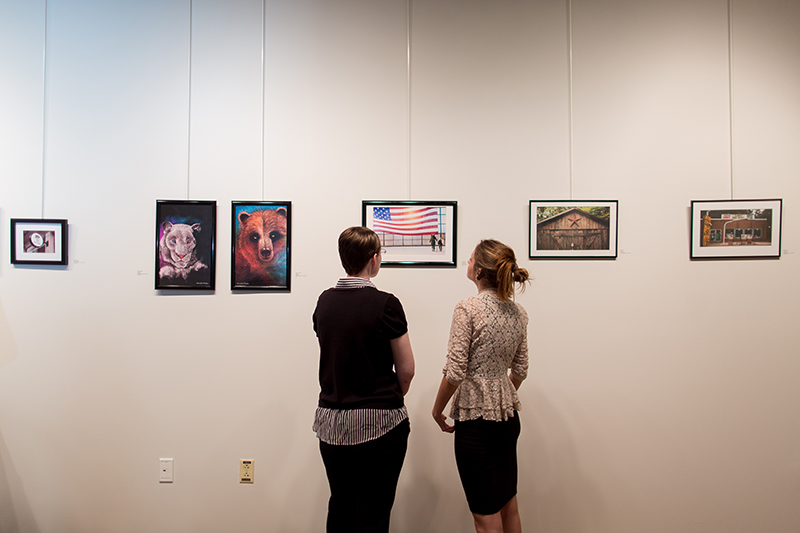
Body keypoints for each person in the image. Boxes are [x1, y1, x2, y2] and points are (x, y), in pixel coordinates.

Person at [312, 226, 416, 533]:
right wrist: (393, 395)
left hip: (332, 424)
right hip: (380, 423)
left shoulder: (324, 302)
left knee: (340, 506)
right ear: (373, 259)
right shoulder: (386, 304)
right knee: (373, 513)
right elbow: (407, 369)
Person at [432, 239, 530, 533]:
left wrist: (437, 410)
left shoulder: (467, 308)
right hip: (507, 420)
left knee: (485, 517)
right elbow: (520, 370)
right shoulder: (518, 312)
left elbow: (455, 371)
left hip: (476, 424)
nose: (468, 261)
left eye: (471, 258)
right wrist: (500, 397)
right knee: (508, 505)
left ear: (478, 272)